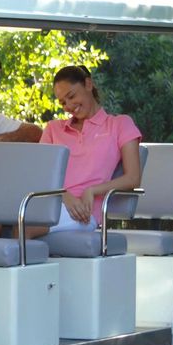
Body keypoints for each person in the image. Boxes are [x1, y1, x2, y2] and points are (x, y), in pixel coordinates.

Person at [29, 64, 142, 236]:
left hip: (82, 213)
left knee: (23, 226)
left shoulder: (120, 124)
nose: (68, 106)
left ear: (88, 84)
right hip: (47, 202)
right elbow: (39, 173)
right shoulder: (53, 128)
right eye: (63, 102)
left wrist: (92, 190)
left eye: (71, 96)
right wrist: (63, 195)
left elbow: (133, 178)